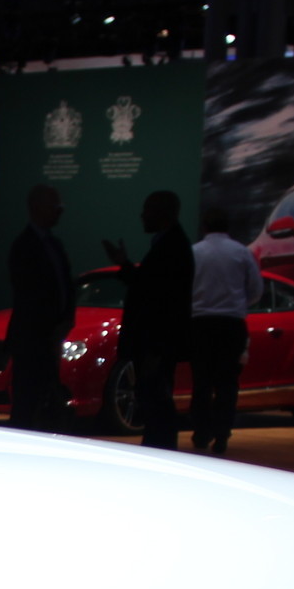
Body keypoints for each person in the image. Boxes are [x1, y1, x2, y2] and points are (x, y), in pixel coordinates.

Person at [101, 189, 193, 450]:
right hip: (158, 342)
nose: (142, 216)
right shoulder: (173, 244)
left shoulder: (170, 247)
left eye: (148, 210)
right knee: (155, 398)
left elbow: (157, 296)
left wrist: (155, 348)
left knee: (156, 400)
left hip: (156, 342)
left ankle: (160, 450)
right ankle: (160, 449)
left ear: (161, 213)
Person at [186, 203, 265, 453]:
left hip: (200, 324)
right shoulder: (241, 252)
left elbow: (184, 289)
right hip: (231, 325)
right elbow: (256, 290)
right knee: (228, 383)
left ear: (204, 226)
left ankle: (200, 433)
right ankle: (222, 436)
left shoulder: (194, 252)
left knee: (201, 382)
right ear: (228, 226)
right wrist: (237, 304)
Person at [7, 183, 74, 431]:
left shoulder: (53, 244)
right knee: (28, 402)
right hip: (33, 339)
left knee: (40, 400)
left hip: (47, 337)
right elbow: (30, 295)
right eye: (54, 206)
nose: (60, 211)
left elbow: (64, 285)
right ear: (37, 207)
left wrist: (66, 319)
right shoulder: (24, 246)